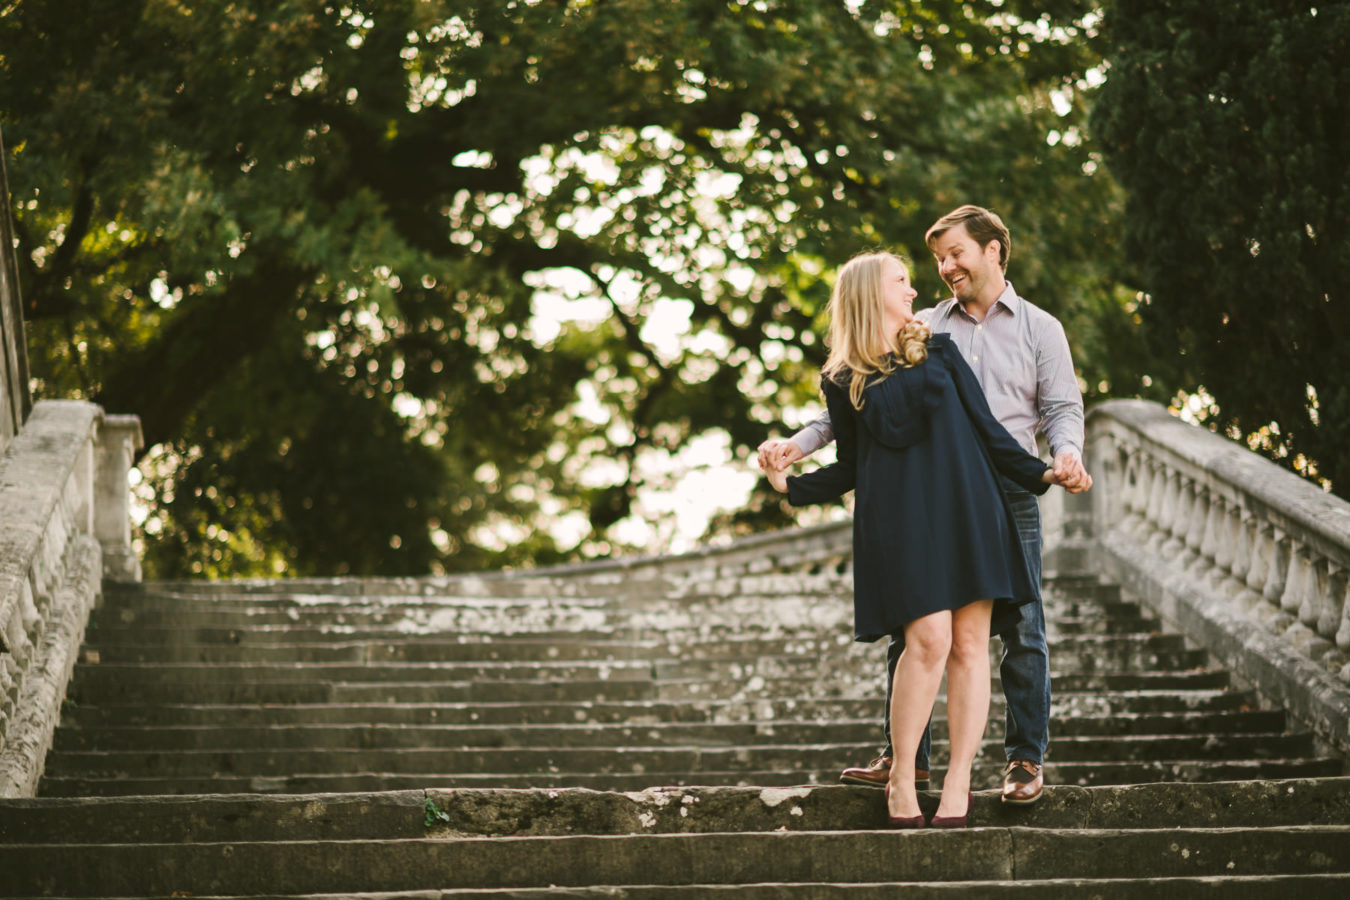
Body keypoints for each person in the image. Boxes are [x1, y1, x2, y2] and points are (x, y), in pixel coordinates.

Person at [759, 205, 1091, 806]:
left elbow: (1042, 415)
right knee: (917, 635)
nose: (941, 270)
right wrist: (795, 456)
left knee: (1017, 630)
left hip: (999, 490)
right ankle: (904, 763)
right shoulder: (927, 327)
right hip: (915, 503)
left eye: (954, 254)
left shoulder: (1037, 329)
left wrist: (1057, 462)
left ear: (992, 249)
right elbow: (847, 417)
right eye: (932, 261)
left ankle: (1021, 759)